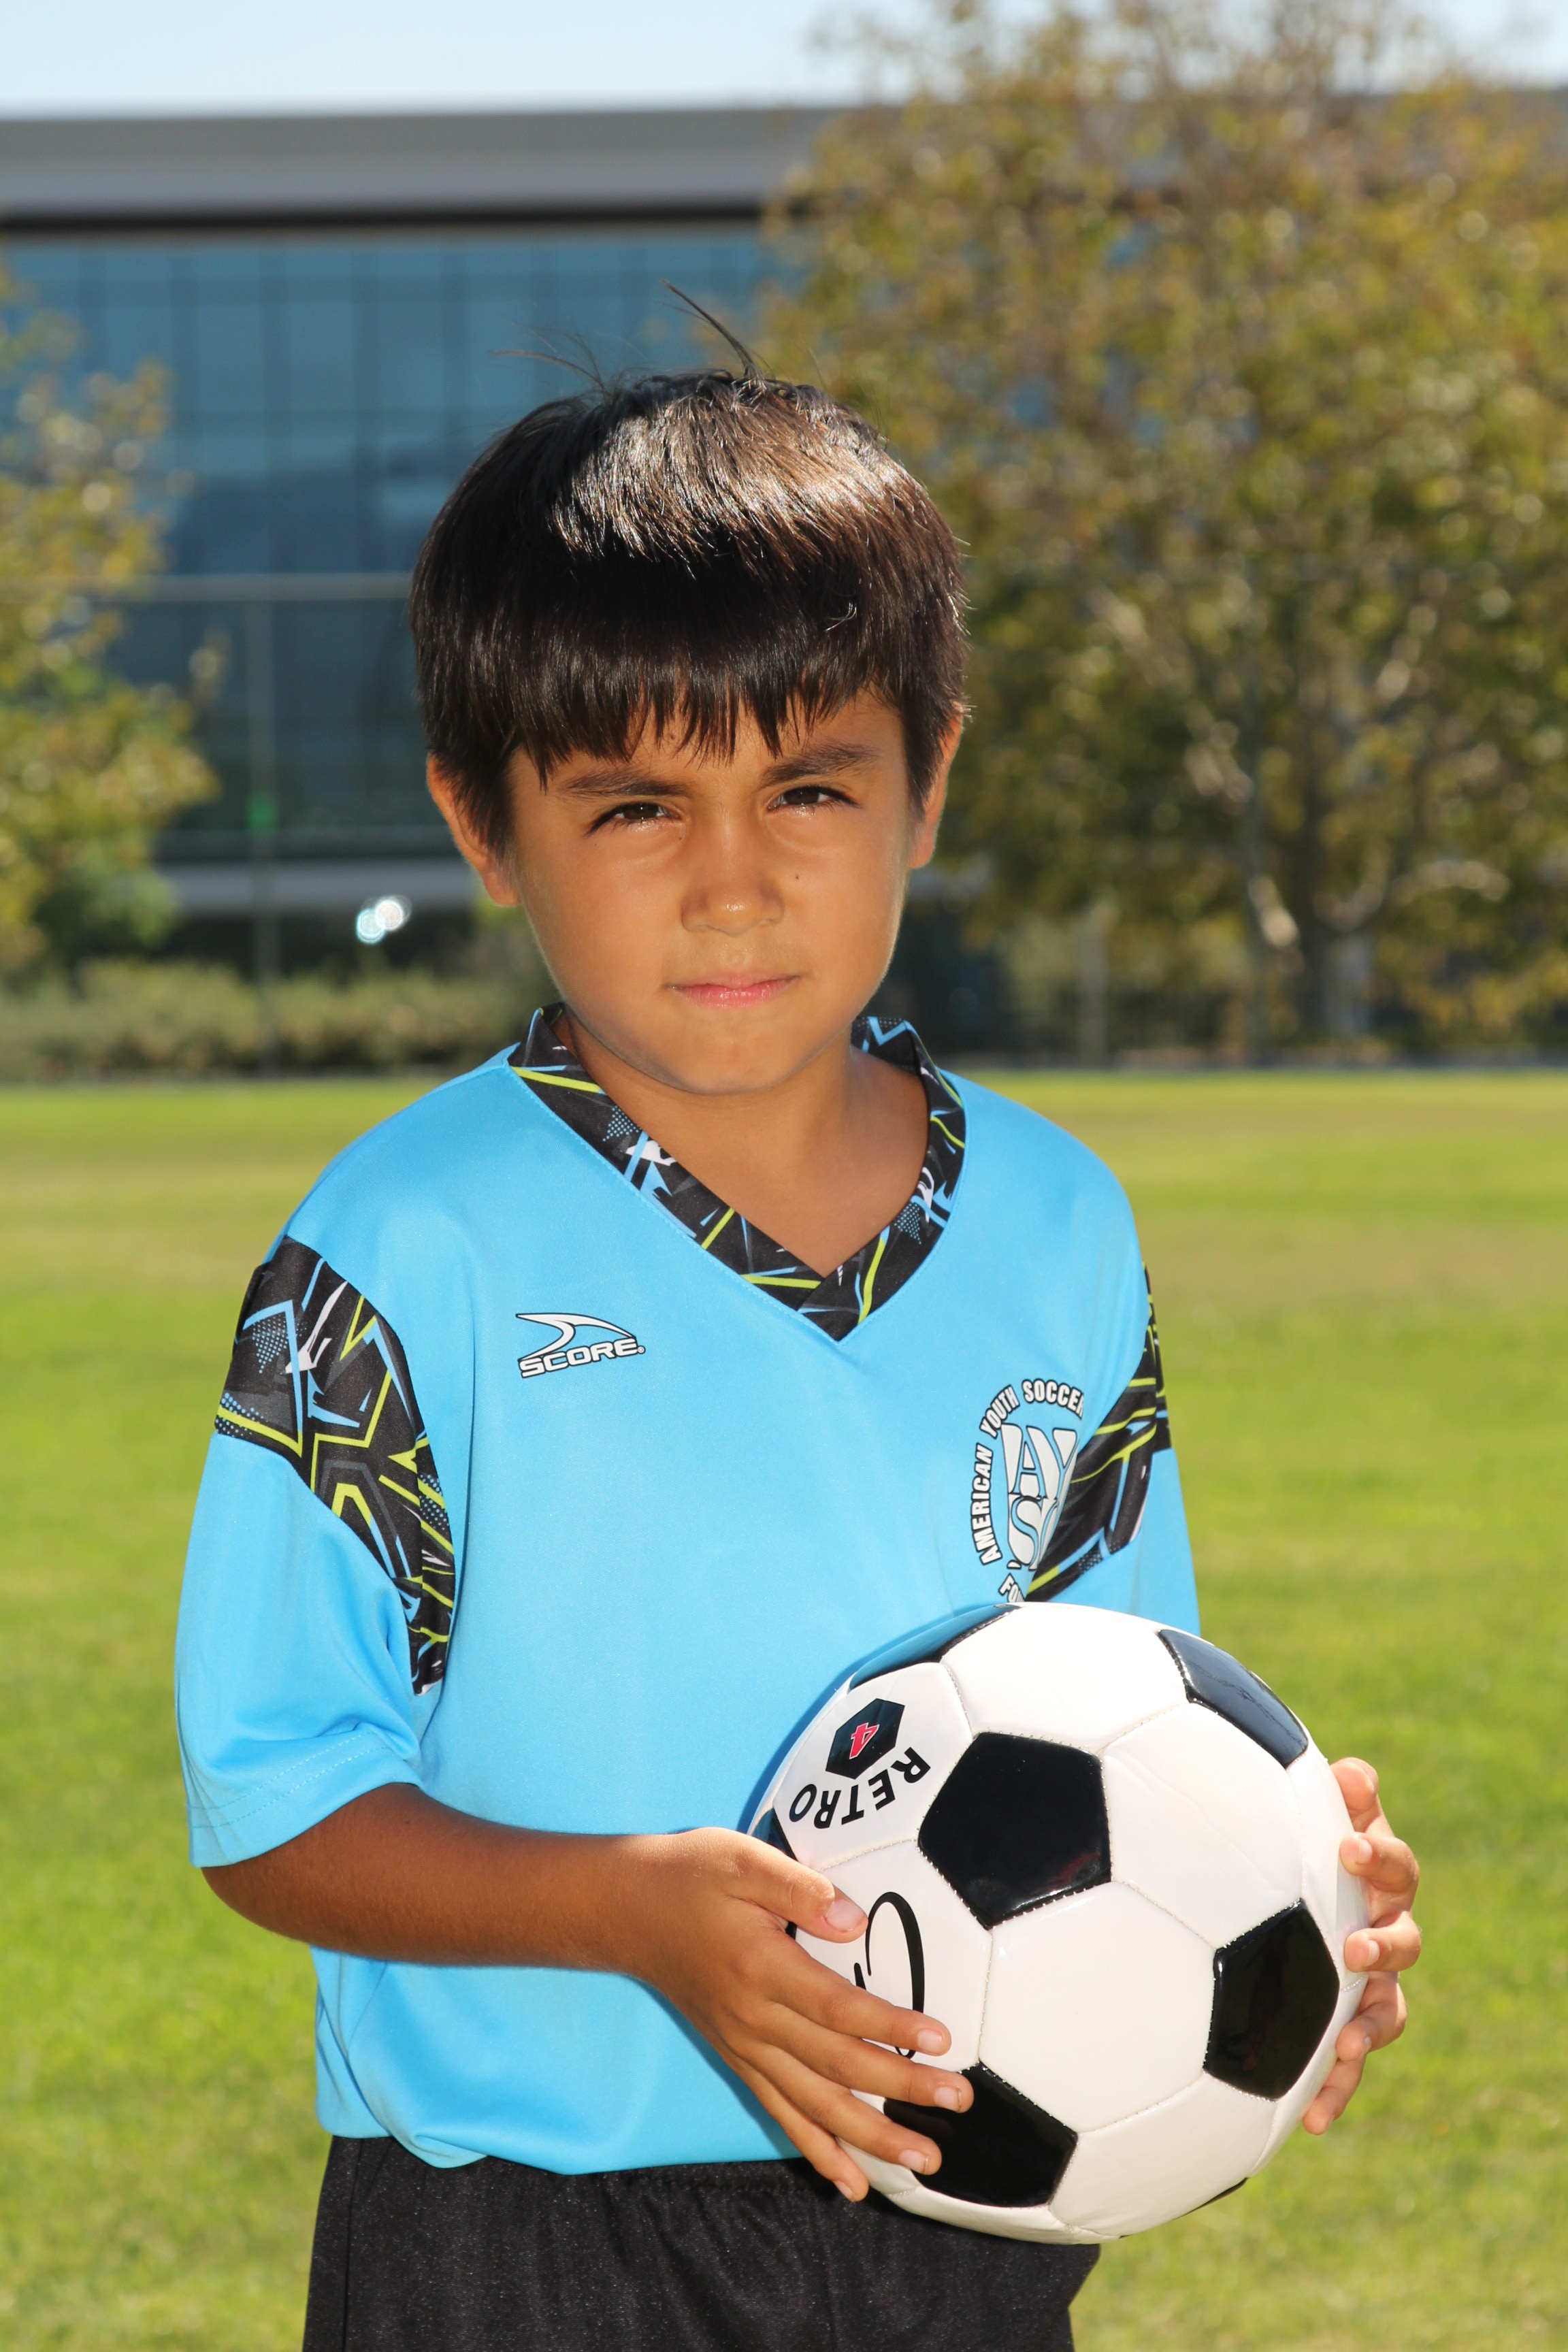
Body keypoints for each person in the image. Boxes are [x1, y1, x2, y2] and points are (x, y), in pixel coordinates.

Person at [175, 372, 1420, 2352]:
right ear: (482, 822)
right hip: (525, 2251)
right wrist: (630, 1915)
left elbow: (1130, 1710)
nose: (734, 881)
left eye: (812, 790)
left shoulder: (1058, 1223)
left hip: (965, 2225)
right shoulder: (400, 1251)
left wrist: (1289, 1901)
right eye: (635, 806)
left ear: (929, 782)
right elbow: (275, 1804)